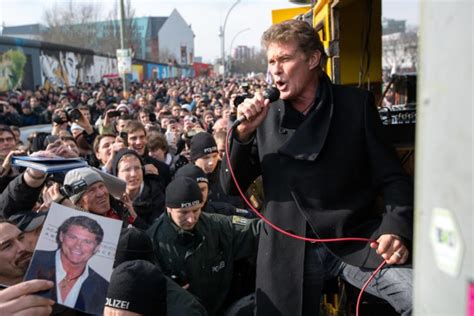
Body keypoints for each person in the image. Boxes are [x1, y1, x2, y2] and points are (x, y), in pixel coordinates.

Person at [220, 20, 413, 316]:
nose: (275, 69)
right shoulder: (263, 116)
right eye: (271, 61)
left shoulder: (355, 105)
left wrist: (395, 229)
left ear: (312, 59)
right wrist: (243, 134)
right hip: (287, 248)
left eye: (284, 59)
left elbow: (393, 178)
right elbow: (230, 186)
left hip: (354, 239)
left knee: (424, 296)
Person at [147, 177, 261, 316]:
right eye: (183, 213)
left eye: (196, 210)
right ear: (169, 208)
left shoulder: (218, 226)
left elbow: (258, 230)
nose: (191, 218)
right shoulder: (152, 241)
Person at [25, 215, 108, 314]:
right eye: (72, 237)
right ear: (61, 236)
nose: (77, 246)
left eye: (87, 241)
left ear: (97, 248)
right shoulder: (30, 261)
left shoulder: (103, 287)